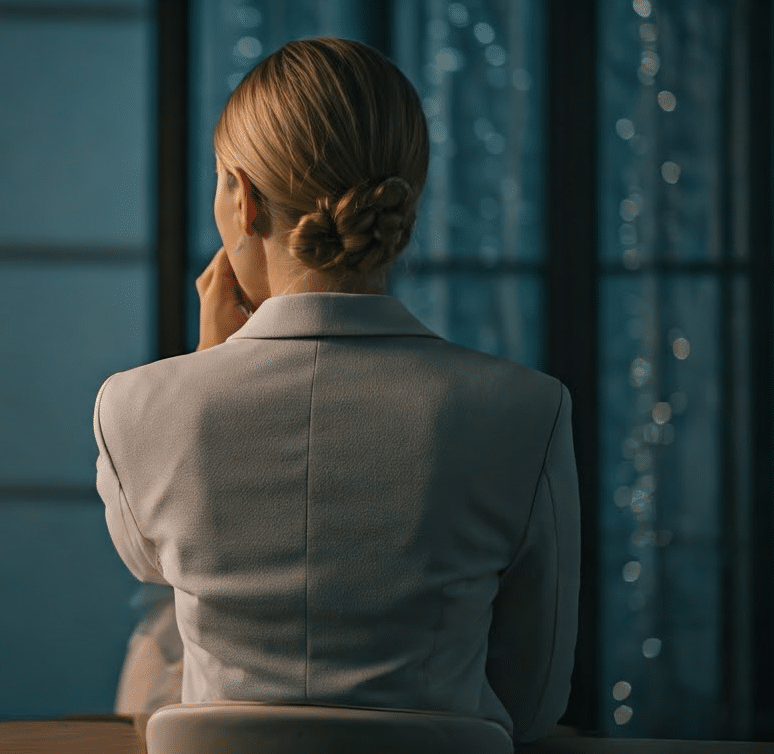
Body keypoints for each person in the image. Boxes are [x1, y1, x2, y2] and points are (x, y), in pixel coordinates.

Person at [93, 37, 578, 744]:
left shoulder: (133, 406)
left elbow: (155, 566)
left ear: (243, 198)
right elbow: (532, 705)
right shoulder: (528, 410)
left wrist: (200, 370)